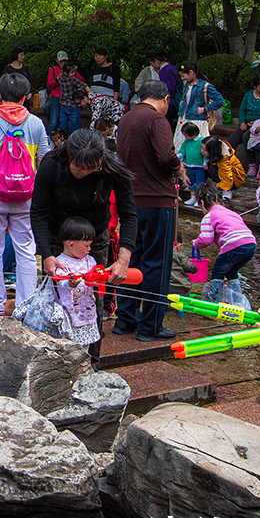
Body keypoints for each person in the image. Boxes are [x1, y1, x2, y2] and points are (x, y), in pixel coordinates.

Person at [113, 81, 188, 342]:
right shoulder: (157, 120)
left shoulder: (126, 119)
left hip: (131, 199)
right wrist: (178, 169)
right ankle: (150, 325)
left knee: (131, 259)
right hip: (157, 199)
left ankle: (125, 318)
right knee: (157, 263)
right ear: (166, 99)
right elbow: (166, 156)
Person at [0, 71, 51, 315]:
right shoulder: (36, 124)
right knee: (26, 249)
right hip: (26, 195)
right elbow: (45, 160)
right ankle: (26, 305)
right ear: (26, 97)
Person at [32, 127, 137, 279]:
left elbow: (128, 215)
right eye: (79, 167)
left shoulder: (113, 170)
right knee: (58, 292)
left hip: (95, 237)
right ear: (70, 156)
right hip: (58, 236)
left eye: (92, 168)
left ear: (101, 160)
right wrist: (46, 254)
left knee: (94, 292)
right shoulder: (52, 166)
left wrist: (124, 259)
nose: (85, 172)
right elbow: (38, 212)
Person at [48, 216, 104, 361]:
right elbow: (60, 281)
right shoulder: (60, 263)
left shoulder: (90, 261)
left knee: (85, 350)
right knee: (68, 349)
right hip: (69, 317)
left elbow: (94, 281)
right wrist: (70, 284)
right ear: (71, 245)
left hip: (87, 314)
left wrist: (99, 277)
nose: (89, 249)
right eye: (87, 245)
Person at [192, 183, 256, 306]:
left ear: (203, 204)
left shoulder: (209, 216)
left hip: (233, 246)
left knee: (217, 274)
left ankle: (214, 303)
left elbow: (206, 240)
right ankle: (236, 301)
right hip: (250, 245)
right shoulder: (233, 213)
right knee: (232, 273)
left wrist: (195, 243)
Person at [174, 62, 223, 147]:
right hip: (183, 118)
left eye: (183, 76)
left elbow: (219, 101)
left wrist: (204, 109)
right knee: (180, 145)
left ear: (191, 72)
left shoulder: (205, 86)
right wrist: (182, 103)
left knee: (198, 146)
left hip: (197, 119)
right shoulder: (185, 84)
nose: (182, 78)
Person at [229, 75, 260, 153]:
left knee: (247, 137)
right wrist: (242, 122)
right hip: (247, 122)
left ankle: (251, 163)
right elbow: (242, 110)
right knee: (233, 139)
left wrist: (259, 121)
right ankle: (228, 159)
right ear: (255, 86)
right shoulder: (248, 95)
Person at [87, 49, 123, 125]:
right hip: (95, 98)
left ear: (106, 56)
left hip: (107, 98)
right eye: (96, 56)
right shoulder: (97, 69)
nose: (97, 58)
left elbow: (116, 84)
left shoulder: (113, 68)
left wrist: (115, 100)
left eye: (100, 56)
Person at [56, 60, 89, 136]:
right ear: (66, 73)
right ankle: (74, 138)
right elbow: (83, 85)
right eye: (71, 72)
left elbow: (55, 80)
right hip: (73, 105)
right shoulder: (72, 79)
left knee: (63, 124)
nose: (73, 74)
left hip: (64, 104)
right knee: (75, 125)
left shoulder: (60, 78)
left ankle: (62, 138)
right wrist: (91, 93)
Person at [178, 122, 206, 191]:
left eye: (186, 136)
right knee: (191, 181)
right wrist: (179, 155)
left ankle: (199, 196)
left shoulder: (201, 141)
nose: (185, 137)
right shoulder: (187, 141)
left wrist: (205, 162)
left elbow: (205, 153)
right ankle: (193, 196)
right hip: (189, 165)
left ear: (193, 134)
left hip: (199, 166)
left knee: (200, 183)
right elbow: (183, 149)